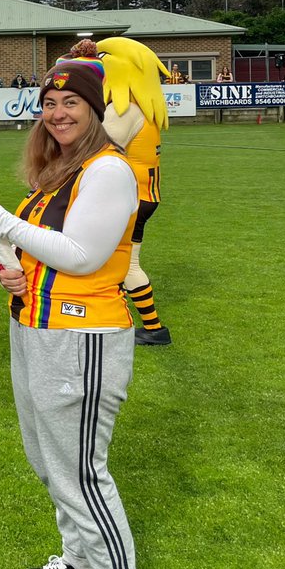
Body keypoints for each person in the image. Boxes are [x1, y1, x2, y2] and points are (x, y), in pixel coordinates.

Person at [0, 52, 145, 569]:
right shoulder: (59, 171)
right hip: (34, 327)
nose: (58, 113)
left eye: (71, 102)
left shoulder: (109, 169)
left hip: (82, 337)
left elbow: (84, 257)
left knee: (81, 472)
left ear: (94, 110)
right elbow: (47, 249)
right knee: (49, 462)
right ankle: (81, 560)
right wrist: (16, 268)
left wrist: (0, 222)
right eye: (49, 103)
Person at [97, 36, 173, 347]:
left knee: (125, 263)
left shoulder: (124, 110)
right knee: (115, 260)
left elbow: (95, 149)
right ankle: (123, 317)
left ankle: (153, 328)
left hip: (131, 198)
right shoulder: (144, 108)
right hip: (145, 195)